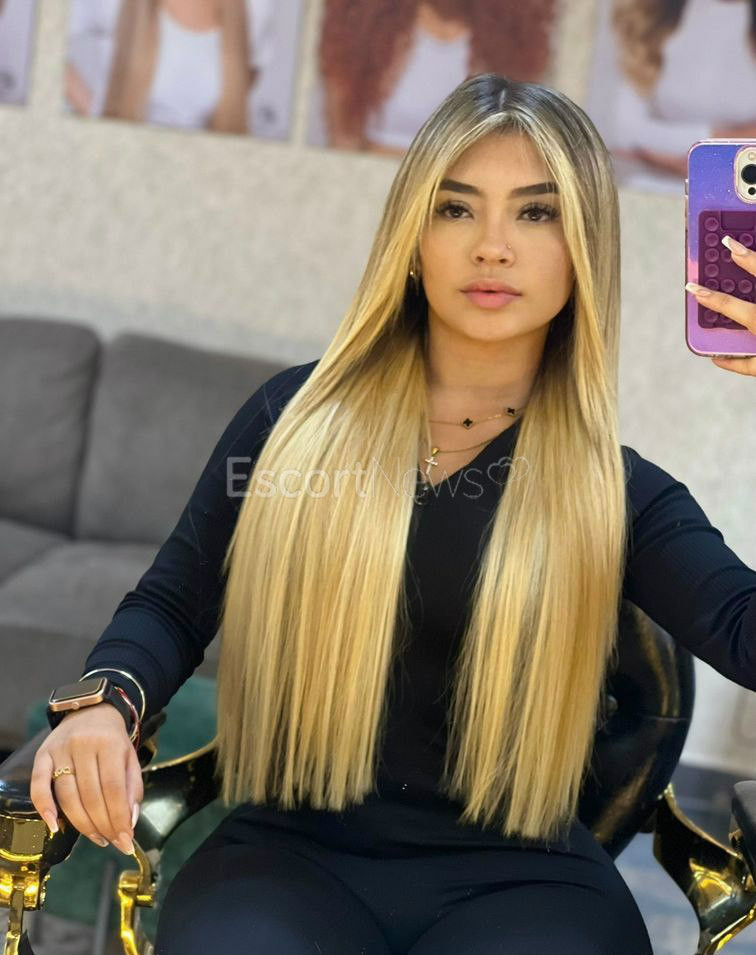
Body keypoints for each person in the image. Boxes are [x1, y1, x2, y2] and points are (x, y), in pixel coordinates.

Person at [31, 73, 756, 954]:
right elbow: (173, 603)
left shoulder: (619, 492)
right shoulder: (289, 423)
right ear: (413, 235)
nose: (493, 246)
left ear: (584, 252)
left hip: (529, 882)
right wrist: (104, 702)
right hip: (289, 856)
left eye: (536, 213)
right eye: (456, 208)